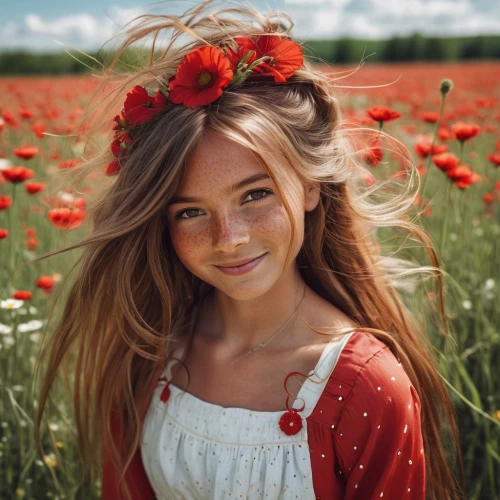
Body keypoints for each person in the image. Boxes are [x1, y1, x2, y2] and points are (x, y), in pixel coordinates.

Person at [33, 1, 465, 499]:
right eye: (190, 211)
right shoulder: (148, 351)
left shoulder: (363, 388)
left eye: (255, 195)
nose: (230, 237)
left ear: (308, 187)